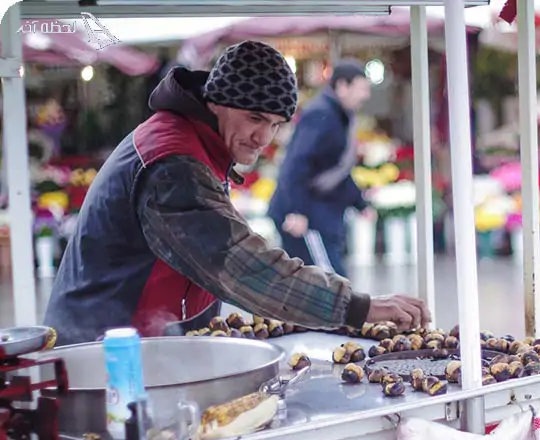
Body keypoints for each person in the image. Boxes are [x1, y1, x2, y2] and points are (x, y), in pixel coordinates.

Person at [44, 41, 429, 346]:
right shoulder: (172, 163)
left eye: (276, 124)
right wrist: (361, 307)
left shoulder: (196, 142)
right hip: (103, 350)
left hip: (143, 338)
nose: (264, 138)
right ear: (216, 103)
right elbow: (241, 266)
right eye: (255, 118)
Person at [268, 60, 374, 278]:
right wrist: (296, 211)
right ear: (342, 86)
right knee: (330, 285)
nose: (366, 96)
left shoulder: (339, 115)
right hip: (305, 216)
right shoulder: (321, 115)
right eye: (362, 88)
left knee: (325, 287)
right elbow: (296, 164)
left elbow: (335, 169)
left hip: (318, 214)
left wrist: (360, 203)